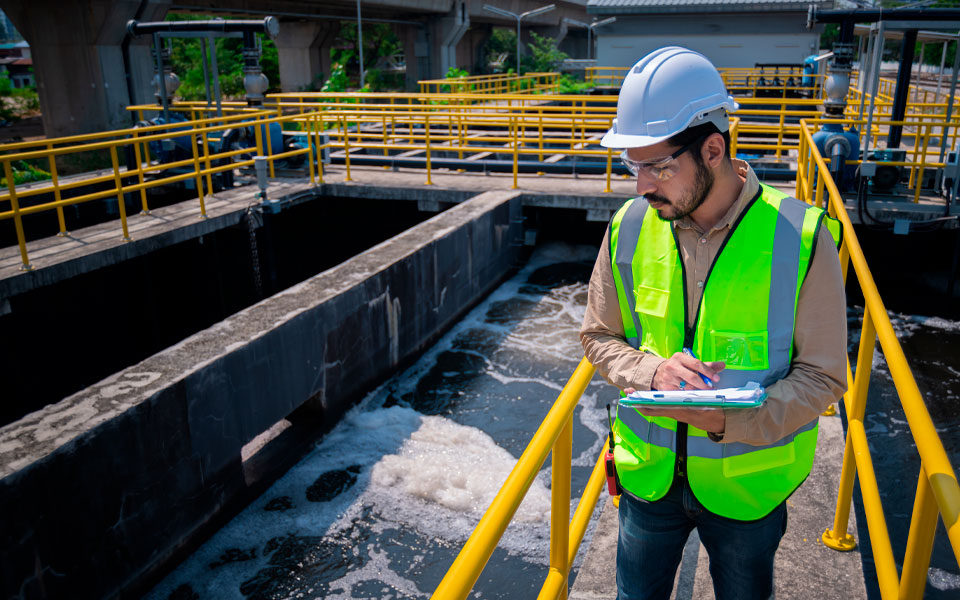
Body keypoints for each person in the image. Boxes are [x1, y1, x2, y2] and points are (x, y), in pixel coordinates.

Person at [579, 46, 848, 600]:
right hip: (647, 481)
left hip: (747, 490)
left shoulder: (800, 236)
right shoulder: (630, 225)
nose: (641, 187)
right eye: (633, 166)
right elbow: (598, 336)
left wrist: (724, 422)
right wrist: (651, 371)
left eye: (658, 167)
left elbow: (824, 377)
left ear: (713, 149)